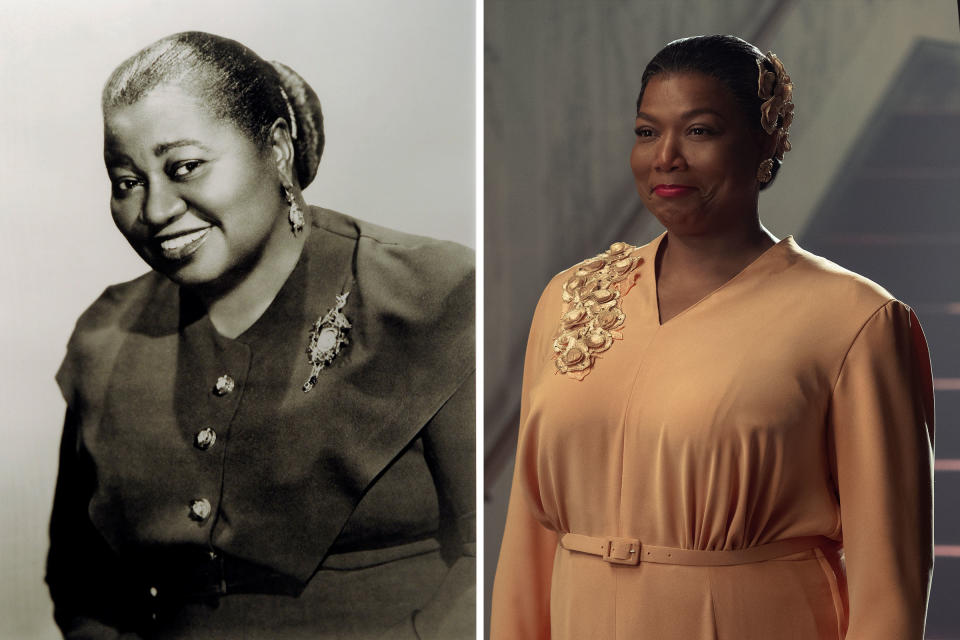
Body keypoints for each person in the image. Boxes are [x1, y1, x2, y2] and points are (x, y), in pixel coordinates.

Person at [490, 34, 933, 640]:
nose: (666, 156)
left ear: (766, 141)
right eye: (647, 132)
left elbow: (891, 586)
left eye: (699, 131)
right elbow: (529, 538)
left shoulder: (855, 320)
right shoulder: (570, 298)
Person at [46, 31, 474, 640]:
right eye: (126, 180)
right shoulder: (106, 339)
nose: (157, 208)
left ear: (275, 148)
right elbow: (86, 588)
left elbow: (503, 552)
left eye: (185, 167)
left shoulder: (434, 295)